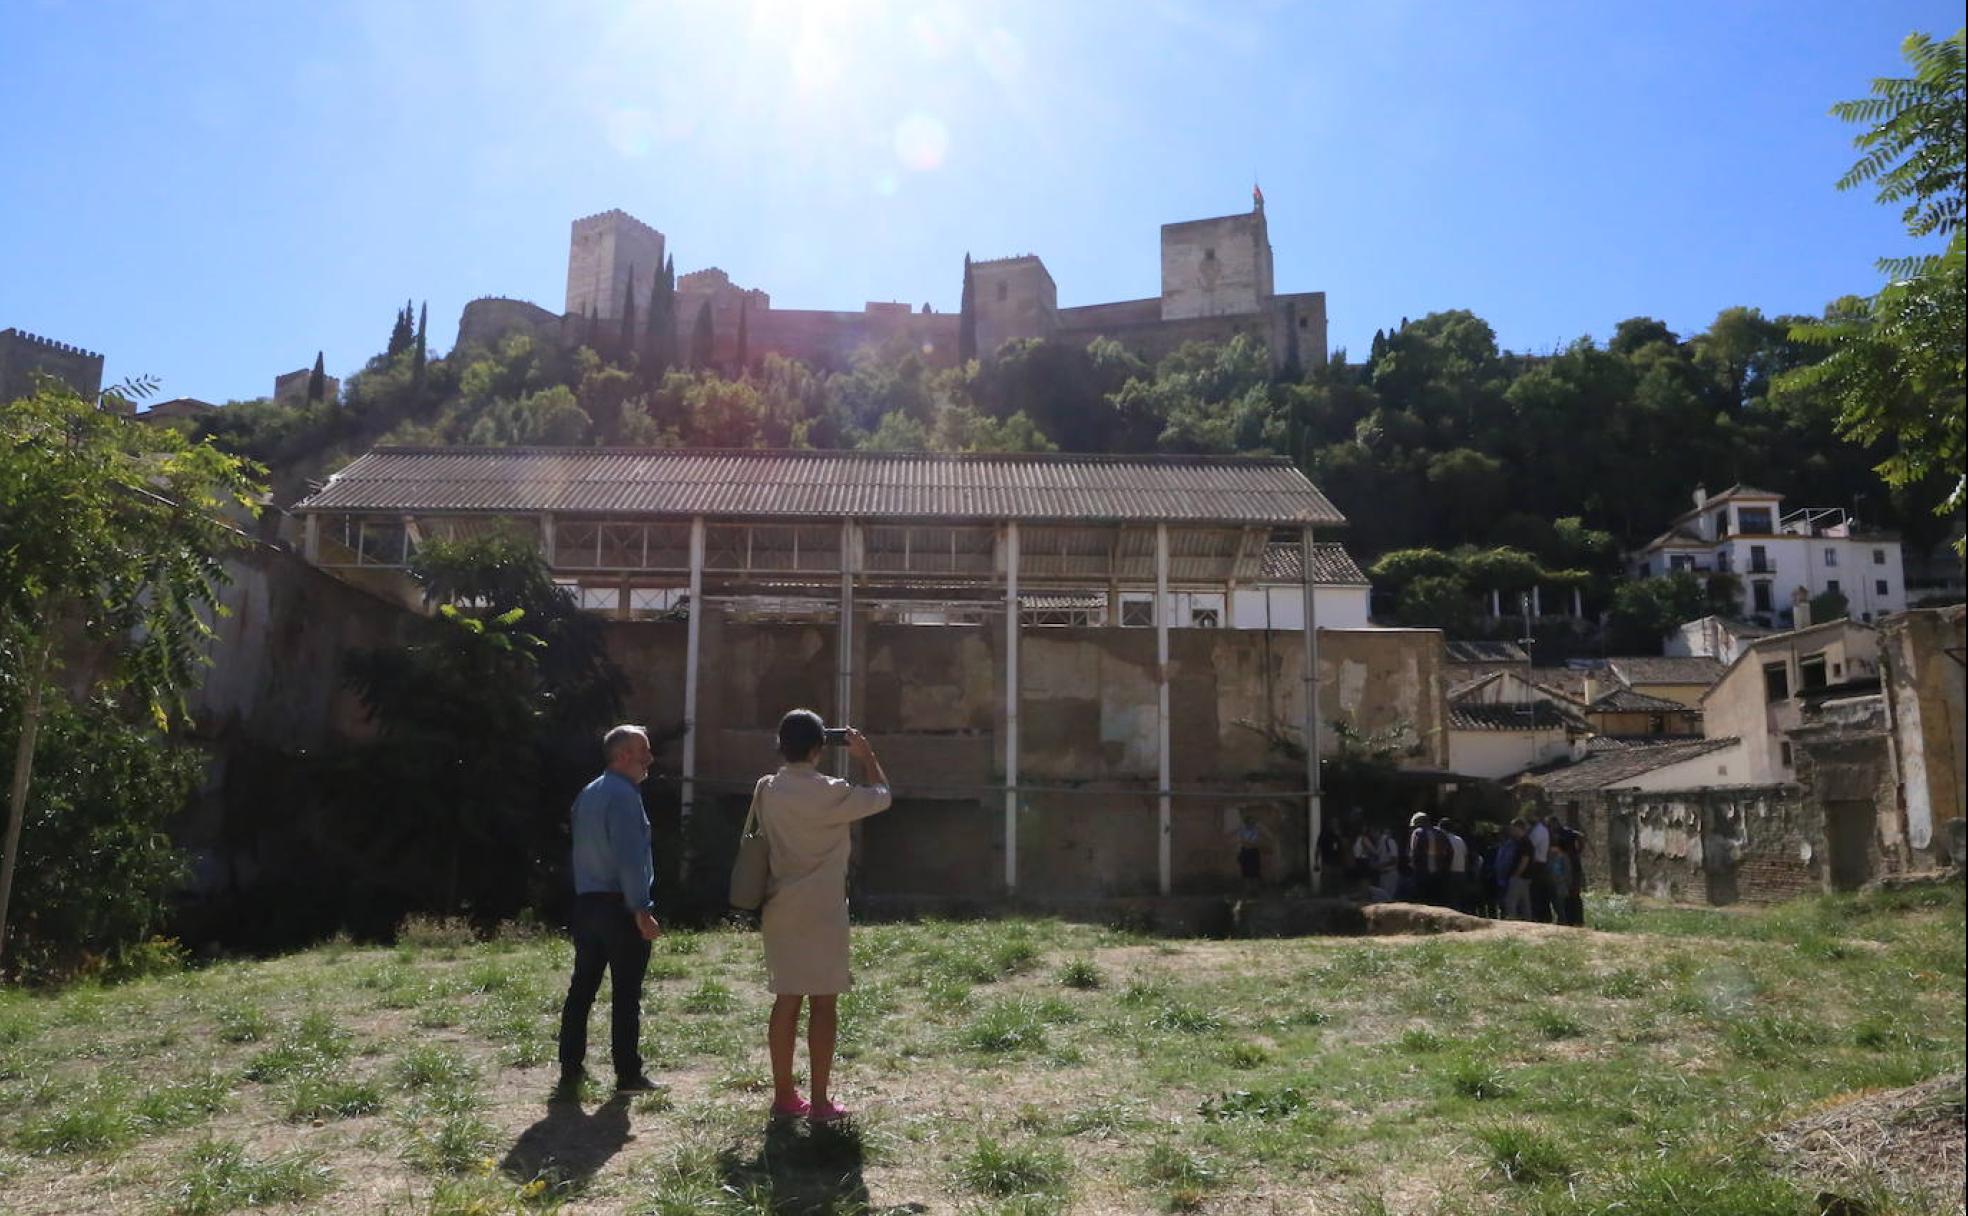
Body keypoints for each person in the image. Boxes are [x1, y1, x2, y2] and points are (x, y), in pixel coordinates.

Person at [756, 710, 893, 1124]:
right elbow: (882, 795)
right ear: (819, 749)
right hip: (824, 909)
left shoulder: (766, 789)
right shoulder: (833, 791)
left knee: (786, 999)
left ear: (781, 745)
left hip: (780, 905)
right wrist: (867, 757)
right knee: (824, 1003)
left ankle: (784, 1095)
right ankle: (819, 1102)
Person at [557, 724, 663, 1096]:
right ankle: (628, 1075)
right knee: (626, 994)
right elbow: (630, 859)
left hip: (586, 904)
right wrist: (641, 909)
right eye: (643, 752)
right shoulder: (624, 797)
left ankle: (570, 1069)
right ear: (622, 756)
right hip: (618, 907)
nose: (650, 759)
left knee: (581, 988)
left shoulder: (587, 794)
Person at [1231, 810, 1279, 894]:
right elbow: (1242, 841)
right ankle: (1248, 889)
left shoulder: (1255, 831)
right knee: (1246, 871)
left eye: (1252, 823)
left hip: (1253, 852)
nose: (1251, 824)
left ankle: (1254, 889)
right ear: (1246, 823)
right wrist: (1247, 843)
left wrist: (1249, 843)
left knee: (1254, 871)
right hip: (1246, 852)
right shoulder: (1242, 830)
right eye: (1249, 822)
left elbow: (1253, 842)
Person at [1500, 819, 1533, 921]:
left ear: (1519, 828)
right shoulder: (1521, 842)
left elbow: (1525, 860)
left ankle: (1511, 921)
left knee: (1511, 902)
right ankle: (1528, 921)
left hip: (1519, 877)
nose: (1511, 831)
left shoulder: (1525, 842)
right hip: (1524, 877)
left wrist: (1516, 874)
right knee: (1524, 904)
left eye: (1513, 828)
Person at [1525, 811, 1554, 923]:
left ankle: (1542, 918)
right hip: (1538, 864)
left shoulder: (1539, 831)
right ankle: (1542, 917)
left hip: (1538, 865)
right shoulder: (1537, 830)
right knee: (1539, 893)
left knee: (1538, 892)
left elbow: (1531, 845)